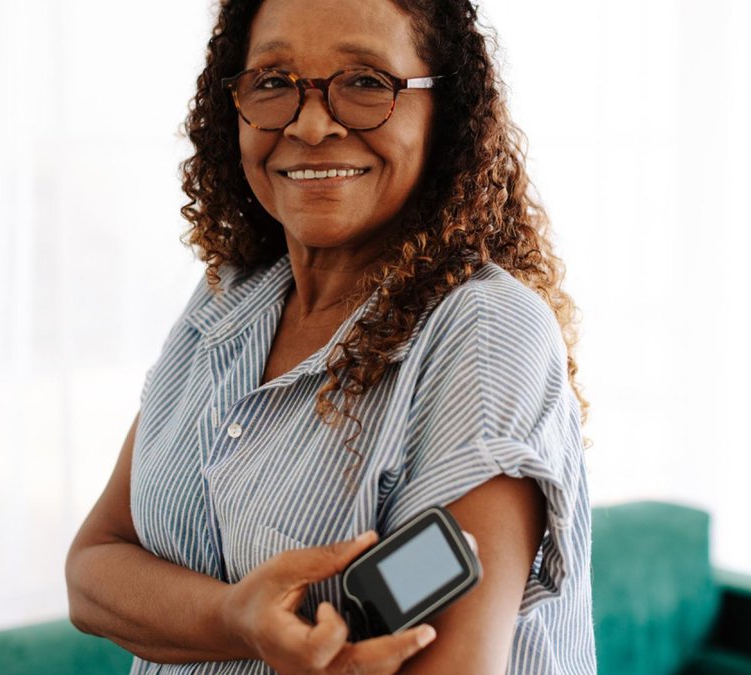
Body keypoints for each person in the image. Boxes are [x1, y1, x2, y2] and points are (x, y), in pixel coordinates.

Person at [65, 0, 596, 672]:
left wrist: (203, 616)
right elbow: (92, 570)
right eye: (273, 82)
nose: (311, 124)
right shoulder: (229, 297)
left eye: (367, 82)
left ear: (446, 113)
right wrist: (240, 619)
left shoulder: (485, 334)